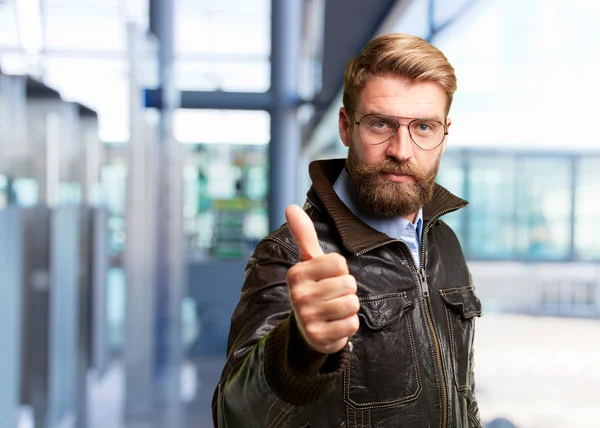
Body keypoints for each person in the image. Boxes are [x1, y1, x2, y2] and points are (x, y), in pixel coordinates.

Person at [213, 33, 483, 428]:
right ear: (346, 127)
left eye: (423, 127)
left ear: (443, 134)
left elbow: (462, 394)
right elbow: (233, 415)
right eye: (380, 124)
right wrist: (299, 350)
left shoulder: (442, 239)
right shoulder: (289, 255)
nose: (402, 150)